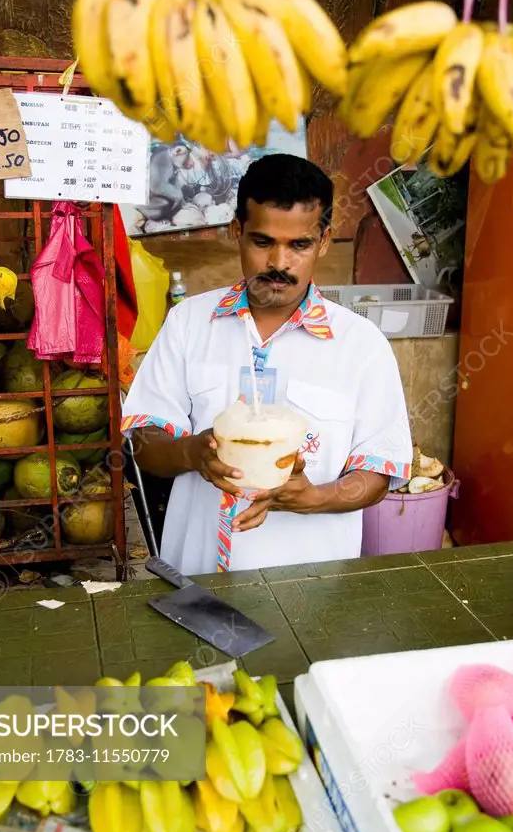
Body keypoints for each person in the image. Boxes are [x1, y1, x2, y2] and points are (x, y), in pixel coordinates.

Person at [122, 153, 412, 576]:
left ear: (324, 241)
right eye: (263, 242)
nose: (279, 263)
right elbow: (142, 439)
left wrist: (316, 497)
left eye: (299, 245)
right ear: (237, 231)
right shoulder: (189, 322)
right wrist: (191, 452)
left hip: (310, 590)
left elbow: (379, 469)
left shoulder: (360, 345)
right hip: (195, 579)